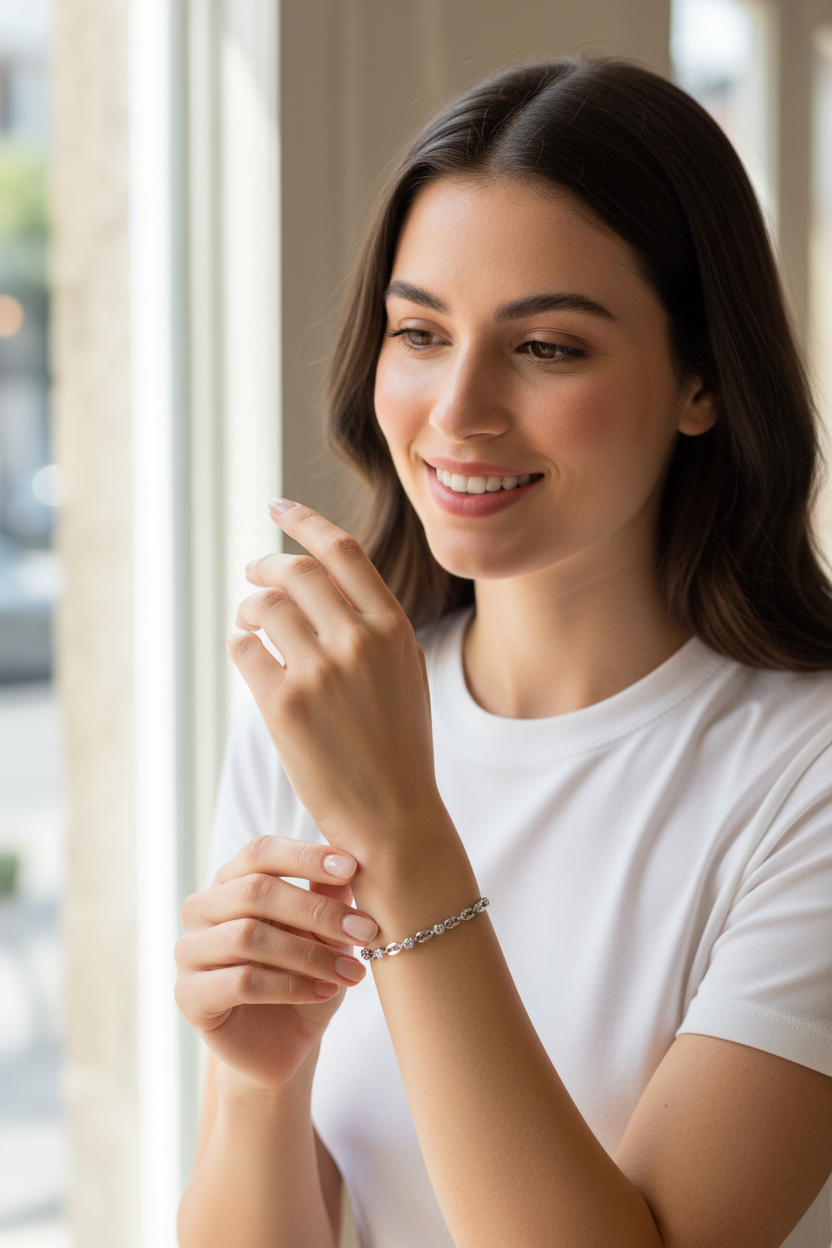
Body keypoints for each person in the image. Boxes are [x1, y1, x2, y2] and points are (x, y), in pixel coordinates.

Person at [174, 58, 832, 1248]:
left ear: (701, 379)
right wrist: (258, 1086)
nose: (457, 408)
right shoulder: (325, 709)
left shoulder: (805, 774)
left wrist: (407, 845)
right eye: (419, 332)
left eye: (547, 349)